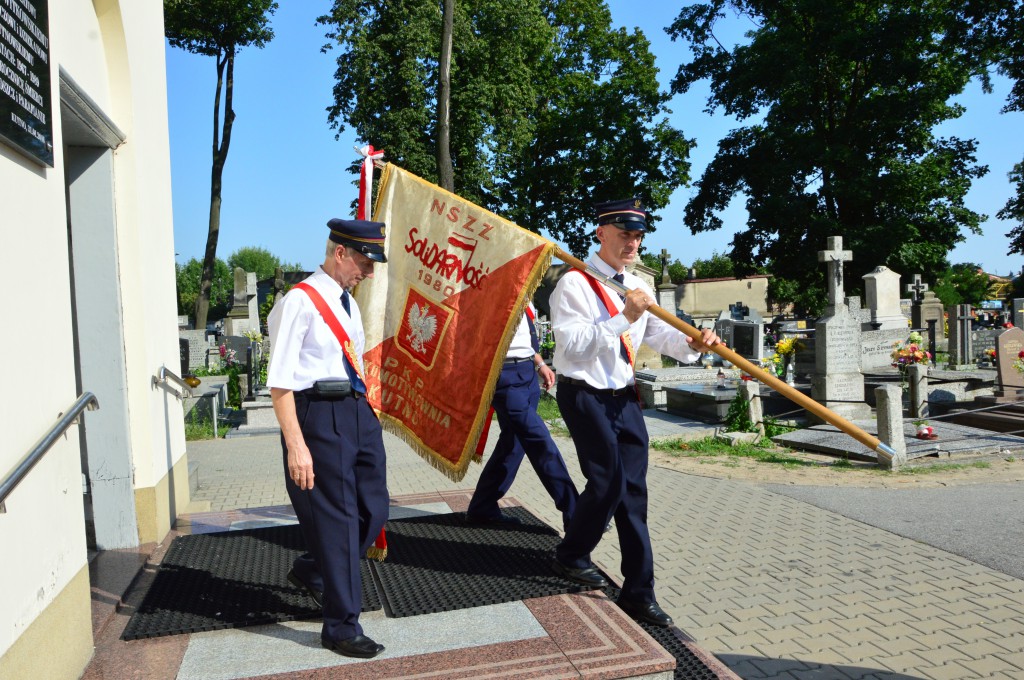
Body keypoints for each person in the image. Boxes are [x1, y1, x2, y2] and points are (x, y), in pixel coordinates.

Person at [548, 198, 721, 627]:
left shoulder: (639, 283)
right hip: (584, 394)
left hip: (624, 397)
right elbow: (572, 346)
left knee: (633, 497)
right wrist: (623, 317)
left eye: (638, 235)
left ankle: (639, 592)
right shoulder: (574, 283)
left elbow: (662, 336)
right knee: (607, 484)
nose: (632, 242)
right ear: (600, 233)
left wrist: (693, 346)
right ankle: (572, 553)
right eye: (624, 234)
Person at [267, 218, 390, 659]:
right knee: (338, 522)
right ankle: (340, 625)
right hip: (317, 415)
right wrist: (296, 445)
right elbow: (280, 382)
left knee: (374, 509)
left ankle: (315, 568)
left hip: (355, 411)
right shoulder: (299, 302)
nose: (369, 272)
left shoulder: (347, 303)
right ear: (340, 252)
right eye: (364, 261)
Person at [465, 302, 579, 530]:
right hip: (503, 375)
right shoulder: (496, 283)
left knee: (513, 444)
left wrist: (539, 364)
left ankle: (482, 507)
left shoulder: (525, 288)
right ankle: (575, 511)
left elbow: (524, 336)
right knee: (539, 440)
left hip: (527, 372)